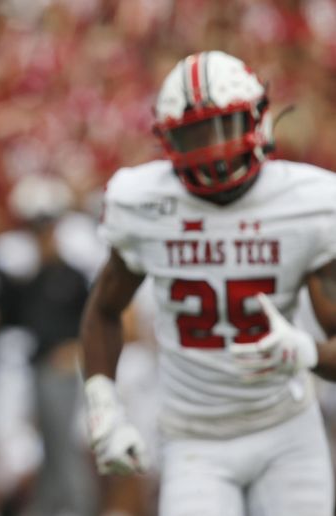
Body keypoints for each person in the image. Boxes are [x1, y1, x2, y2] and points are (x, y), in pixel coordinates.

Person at [81, 50, 336, 516]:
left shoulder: (308, 204)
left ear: (258, 119)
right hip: (194, 440)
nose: (213, 151)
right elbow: (104, 309)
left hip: (286, 432)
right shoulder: (145, 203)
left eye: (224, 128)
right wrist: (105, 407)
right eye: (194, 136)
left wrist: (306, 352)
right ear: (167, 139)